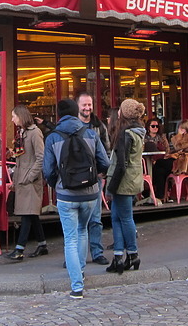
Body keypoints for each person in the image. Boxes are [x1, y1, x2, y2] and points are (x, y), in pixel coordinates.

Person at [42, 99, 110, 299]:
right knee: (82, 231)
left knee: (70, 238)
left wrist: (57, 185)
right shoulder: (90, 133)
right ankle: (80, 270)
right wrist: (96, 176)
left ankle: (77, 285)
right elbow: (105, 162)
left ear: (59, 115)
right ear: (75, 112)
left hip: (66, 194)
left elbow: (48, 170)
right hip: (90, 193)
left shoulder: (53, 137)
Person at [105, 99, 145, 275]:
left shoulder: (125, 134)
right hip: (132, 179)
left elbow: (121, 164)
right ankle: (119, 255)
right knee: (117, 217)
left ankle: (131, 254)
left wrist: (111, 186)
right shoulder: (139, 132)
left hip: (122, 181)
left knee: (124, 218)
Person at [6, 104, 48, 261]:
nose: (12, 119)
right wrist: (16, 181)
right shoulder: (22, 133)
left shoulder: (35, 133)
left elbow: (40, 157)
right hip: (22, 178)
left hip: (30, 180)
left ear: (21, 116)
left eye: (14, 116)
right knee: (31, 213)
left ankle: (19, 248)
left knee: (27, 214)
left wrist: (30, 176)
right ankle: (42, 244)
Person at [76, 92, 110, 266]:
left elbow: (106, 149)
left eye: (89, 105)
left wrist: (103, 171)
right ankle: (75, 256)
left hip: (94, 178)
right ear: (78, 106)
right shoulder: (71, 126)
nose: (87, 108)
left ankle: (97, 252)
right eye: (84, 105)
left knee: (95, 218)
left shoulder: (99, 126)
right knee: (75, 220)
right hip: (74, 179)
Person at [151, 120, 188, 202]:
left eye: (180, 128)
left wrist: (178, 135)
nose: (178, 129)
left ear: (184, 128)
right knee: (161, 170)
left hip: (187, 164)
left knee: (159, 163)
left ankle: (151, 189)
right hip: (180, 161)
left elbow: (178, 146)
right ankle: (160, 195)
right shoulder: (187, 136)